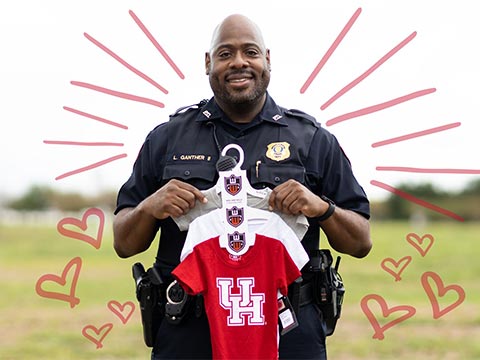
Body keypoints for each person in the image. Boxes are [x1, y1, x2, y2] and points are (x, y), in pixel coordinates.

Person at [113, 13, 372, 360]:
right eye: (224, 54)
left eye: (250, 52)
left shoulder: (312, 140)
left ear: (267, 60)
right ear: (208, 63)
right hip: (189, 328)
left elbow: (360, 242)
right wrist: (149, 206)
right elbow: (124, 243)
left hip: (288, 326)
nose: (238, 63)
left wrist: (321, 208)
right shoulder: (167, 138)